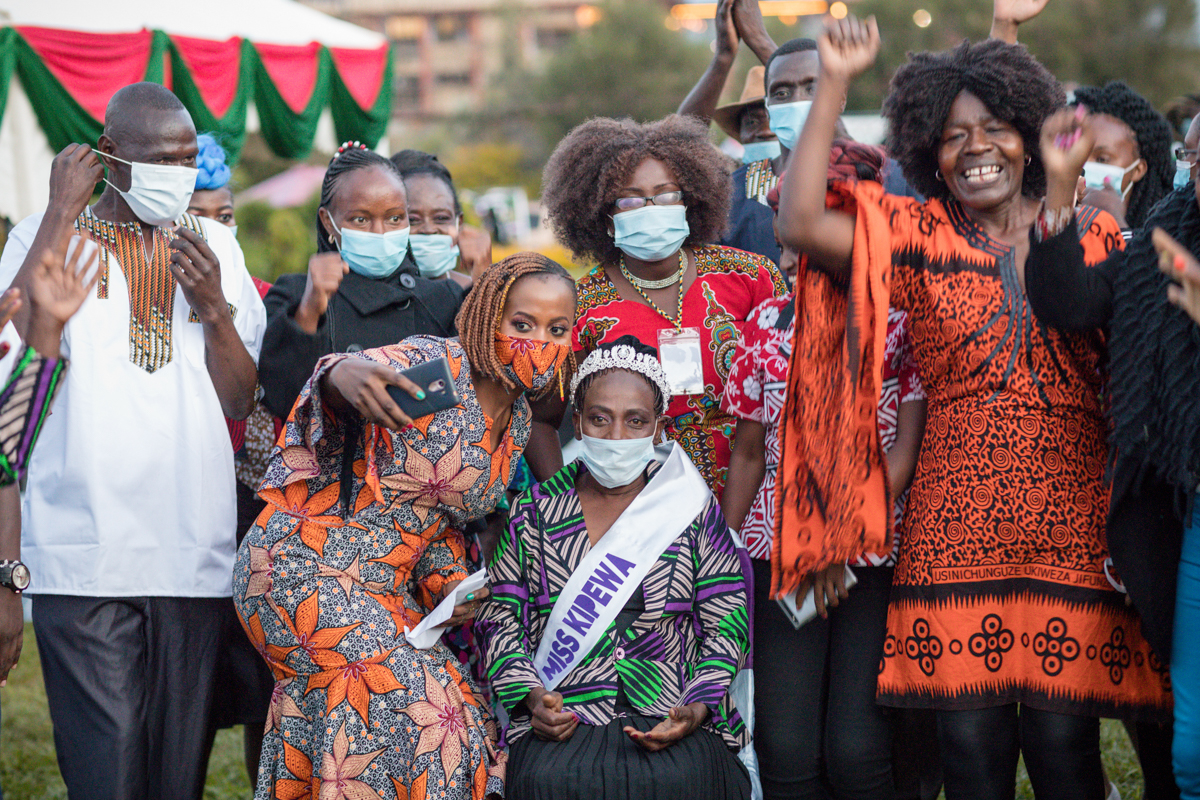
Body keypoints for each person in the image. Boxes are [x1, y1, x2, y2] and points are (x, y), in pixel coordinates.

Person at [775, 16, 1170, 800]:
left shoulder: (1094, 228)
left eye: (994, 128)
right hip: (955, 524)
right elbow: (798, 223)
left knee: (1064, 749)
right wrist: (835, 85)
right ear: (927, 149)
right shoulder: (917, 231)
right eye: (953, 136)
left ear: (1029, 136)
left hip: (1072, 522)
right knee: (971, 750)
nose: (974, 148)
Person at [0, 81, 265, 799]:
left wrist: (213, 308)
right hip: (83, 557)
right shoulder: (41, 235)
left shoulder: (216, 246)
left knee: (174, 780)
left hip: (193, 555)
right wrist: (60, 210)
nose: (177, 176)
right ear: (110, 155)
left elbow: (239, 397)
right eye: (162, 161)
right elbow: (17, 350)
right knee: (107, 776)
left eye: (188, 161)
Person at [234, 252, 577, 800]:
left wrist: (451, 588)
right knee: (420, 717)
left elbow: (435, 518)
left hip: (385, 587)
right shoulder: (437, 368)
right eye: (522, 324)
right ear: (489, 320)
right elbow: (347, 389)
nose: (539, 341)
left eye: (556, 330)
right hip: (302, 566)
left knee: (463, 719)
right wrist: (337, 372)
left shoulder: (517, 424)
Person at [722, 144, 927, 799]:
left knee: (858, 748)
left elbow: (903, 452)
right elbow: (749, 451)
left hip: (868, 555)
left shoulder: (907, 320)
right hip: (778, 557)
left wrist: (835, 538)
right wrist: (724, 555)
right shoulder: (765, 324)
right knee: (786, 746)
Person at [477, 336, 751, 800]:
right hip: (563, 717)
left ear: (660, 429)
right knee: (550, 784)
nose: (618, 436)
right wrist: (531, 698)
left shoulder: (689, 508)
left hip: (672, 710)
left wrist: (699, 707)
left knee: (683, 781)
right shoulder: (534, 512)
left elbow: (729, 620)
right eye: (601, 419)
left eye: (636, 421)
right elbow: (500, 619)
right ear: (578, 423)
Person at [1024, 110, 1200, 799]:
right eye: (1195, 154)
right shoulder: (1164, 243)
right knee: (1191, 755)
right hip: (1188, 524)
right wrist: (1062, 194)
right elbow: (1068, 301)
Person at [535, 114, 786, 496]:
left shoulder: (750, 277)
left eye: (667, 195)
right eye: (631, 200)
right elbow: (542, 420)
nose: (652, 208)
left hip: (754, 502)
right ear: (603, 217)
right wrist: (567, 507)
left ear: (690, 200)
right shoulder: (579, 307)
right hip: (639, 520)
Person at [185, 131, 278, 786]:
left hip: (249, 513)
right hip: (177, 518)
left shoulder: (269, 300)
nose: (217, 234)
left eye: (227, 218)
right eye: (201, 219)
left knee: (260, 694)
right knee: (184, 694)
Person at [258, 142, 464, 420]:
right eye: (361, 219)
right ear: (328, 222)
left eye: (394, 218)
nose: (380, 232)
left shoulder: (445, 298)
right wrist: (310, 310)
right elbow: (281, 402)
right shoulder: (294, 295)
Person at [1070, 81, 1175, 235]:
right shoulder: (1051, 224)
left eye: (1102, 159)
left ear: (1138, 169)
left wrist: (1117, 224)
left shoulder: (1161, 237)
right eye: (1077, 154)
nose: (1084, 166)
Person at [391, 149, 492, 289]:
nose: (428, 229)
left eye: (441, 218)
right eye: (412, 220)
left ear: (459, 223)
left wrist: (483, 280)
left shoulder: (476, 289)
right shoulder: (371, 298)